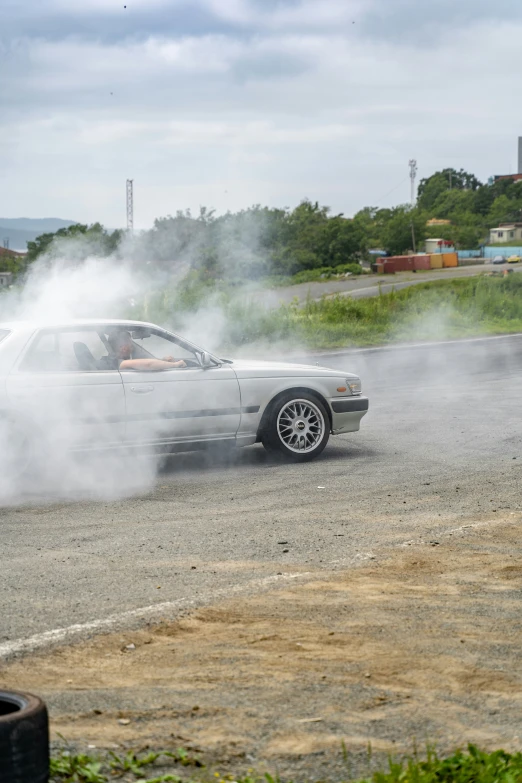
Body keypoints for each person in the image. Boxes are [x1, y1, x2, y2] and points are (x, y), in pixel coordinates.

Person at [99, 330, 187, 371]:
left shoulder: (110, 361)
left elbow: (144, 362)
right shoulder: (117, 363)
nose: (132, 346)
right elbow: (148, 364)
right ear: (123, 348)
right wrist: (175, 364)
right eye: (130, 343)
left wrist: (161, 361)